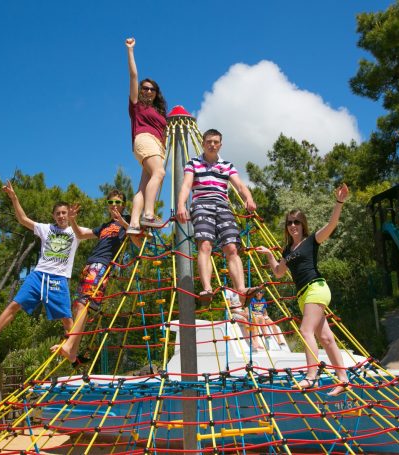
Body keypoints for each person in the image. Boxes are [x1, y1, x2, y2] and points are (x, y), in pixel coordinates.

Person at [256, 184, 350, 395]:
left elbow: (332, 224)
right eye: (289, 223)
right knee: (325, 338)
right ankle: (343, 379)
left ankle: (311, 376)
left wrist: (339, 202)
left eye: (297, 221)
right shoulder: (287, 250)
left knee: (305, 331)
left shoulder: (311, 240)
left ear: (303, 224)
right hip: (303, 295)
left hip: (316, 288)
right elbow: (279, 272)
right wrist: (269, 255)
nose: (293, 225)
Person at [0, 181, 82, 352]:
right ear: (53, 216)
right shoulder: (46, 229)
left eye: (64, 213)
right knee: (14, 305)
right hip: (39, 275)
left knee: (67, 319)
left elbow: (96, 234)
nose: (61, 216)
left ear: (69, 214)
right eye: (58, 213)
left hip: (59, 278)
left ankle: (74, 354)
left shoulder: (75, 232)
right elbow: (22, 219)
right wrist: (14, 197)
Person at [50, 189, 139, 364]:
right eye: (111, 203)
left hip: (102, 265)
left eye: (117, 203)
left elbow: (139, 239)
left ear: (123, 206)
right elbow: (81, 235)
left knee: (84, 304)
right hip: (90, 264)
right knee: (78, 306)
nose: (114, 206)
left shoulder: (127, 221)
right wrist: (73, 220)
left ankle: (69, 346)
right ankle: (73, 352)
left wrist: (123, 222)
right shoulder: (105, 226)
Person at [176, 128, 261, 303]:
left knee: (232, 247)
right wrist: (181, 205)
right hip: (201, 204)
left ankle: (241, 289)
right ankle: (207, 288)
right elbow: (186, 185)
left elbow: (240, 186)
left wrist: (249, 198)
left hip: (223, 206)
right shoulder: (193, 163)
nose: (212, 145)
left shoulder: (227, 166)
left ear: (220, 145)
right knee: (205, 245)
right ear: (203, 143)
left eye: (215, 142)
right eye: (209, 142)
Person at [125, 37, 167, 234]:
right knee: (159, 173)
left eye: (152, 89)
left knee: (143, 185)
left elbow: (165, 134)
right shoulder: (137, 105)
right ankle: (148, 214)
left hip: (157, 146)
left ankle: (134, 223)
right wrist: (130, 51)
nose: (148, 91)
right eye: (145, 88)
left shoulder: (159, 113)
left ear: (156, 93)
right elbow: (134, 76)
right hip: (144, 140)